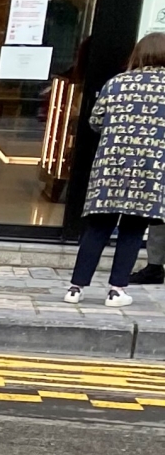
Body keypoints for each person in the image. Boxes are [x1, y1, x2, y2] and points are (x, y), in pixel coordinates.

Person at [69, 35, 165, 305]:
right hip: (149, 169)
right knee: (133, 229)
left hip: (111, 167)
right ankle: (117, 290)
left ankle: (75, 288)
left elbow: (96, 121)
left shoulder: (117, 82)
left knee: (98, 226)